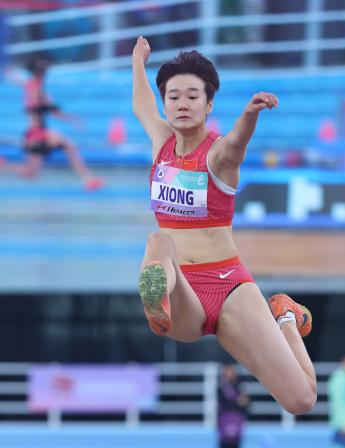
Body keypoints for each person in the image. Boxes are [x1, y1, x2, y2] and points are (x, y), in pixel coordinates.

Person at [132, 37, 316, 416]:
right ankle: (157, 297)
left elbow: (235, 145)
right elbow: (141, 104)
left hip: (230, 284)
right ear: (166, 103)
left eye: (192, 96)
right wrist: (137, 62)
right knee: (158, 242)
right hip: (183, 290)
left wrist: (250, 115)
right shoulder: (161, 143)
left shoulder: (216, 155)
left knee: (302, 399)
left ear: (209, 104)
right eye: (174, 97)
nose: (182, 104)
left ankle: (283, 315)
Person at [0, 58, 104, 190]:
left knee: (30, 173)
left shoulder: (34, 86)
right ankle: (88, 179)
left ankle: (2, 166)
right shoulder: (35, 87)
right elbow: (45, 109)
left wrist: (71, 118)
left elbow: (50, 109)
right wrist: (72, 118)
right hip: (38, 133)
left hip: (34, 134)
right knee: (69, 146)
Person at [216, 363, 250, 448]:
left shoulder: (239, 386)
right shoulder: (222, 387)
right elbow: (229, 404)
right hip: (225, 431)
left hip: (237, 430)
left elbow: (246, 404)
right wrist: (238, 402)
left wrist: (240, 402)